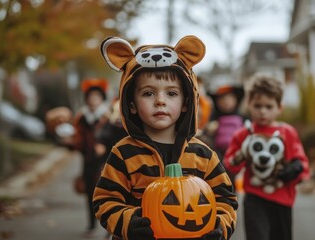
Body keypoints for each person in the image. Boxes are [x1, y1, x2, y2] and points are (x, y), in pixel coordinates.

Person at [93, 35, 238, 240]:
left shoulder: (203, 155)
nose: (160, 101)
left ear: (186, 102)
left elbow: (226, 199)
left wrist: (219, 226)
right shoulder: (124, 153)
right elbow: (105, 200)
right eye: (148, 93)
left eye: (171, 93)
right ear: (131, 104)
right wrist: (130, 223)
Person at [223, 74, 309, 240]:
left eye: (269, 106)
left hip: (282, 198)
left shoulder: (287, 133)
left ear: (279, 107)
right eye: (258, 105)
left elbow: (302, 163)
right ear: (249, 104)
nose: (263, 111)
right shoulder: (243, 134)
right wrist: (242, 153)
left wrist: (295, 169)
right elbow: (230, 164)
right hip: (255, 198)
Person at [71, 78, 113, 238]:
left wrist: (105, 147)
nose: (93, 99)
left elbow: (117, 139)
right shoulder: (82, 118)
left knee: (107, 195)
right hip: (88, 161)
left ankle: (109, 226)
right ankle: (91, 224)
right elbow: (78, 140)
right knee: (90, 194)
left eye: (96, 96)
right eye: (90, 96)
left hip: (106, 162)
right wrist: (72, 142)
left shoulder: (109, 117)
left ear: (101, 99)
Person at [205, 84, 246, 182]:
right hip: (218, 153)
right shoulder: (214, 118)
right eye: (222, 99)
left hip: (236, 152)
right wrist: (210, 129)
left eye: (229, 99)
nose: (226, 102)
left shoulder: (242, 118)